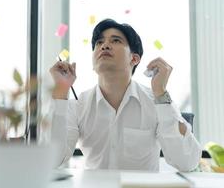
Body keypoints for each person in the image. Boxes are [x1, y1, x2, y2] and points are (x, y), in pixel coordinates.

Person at [49, 19, 201, 171]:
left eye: (115, 40)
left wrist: (161, 93)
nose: (105, 45)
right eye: (99, 43)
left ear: (134, 58)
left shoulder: (156, 102)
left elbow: (187, 162)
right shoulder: (78, 105)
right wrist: (60, 94)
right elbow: (53, 160)